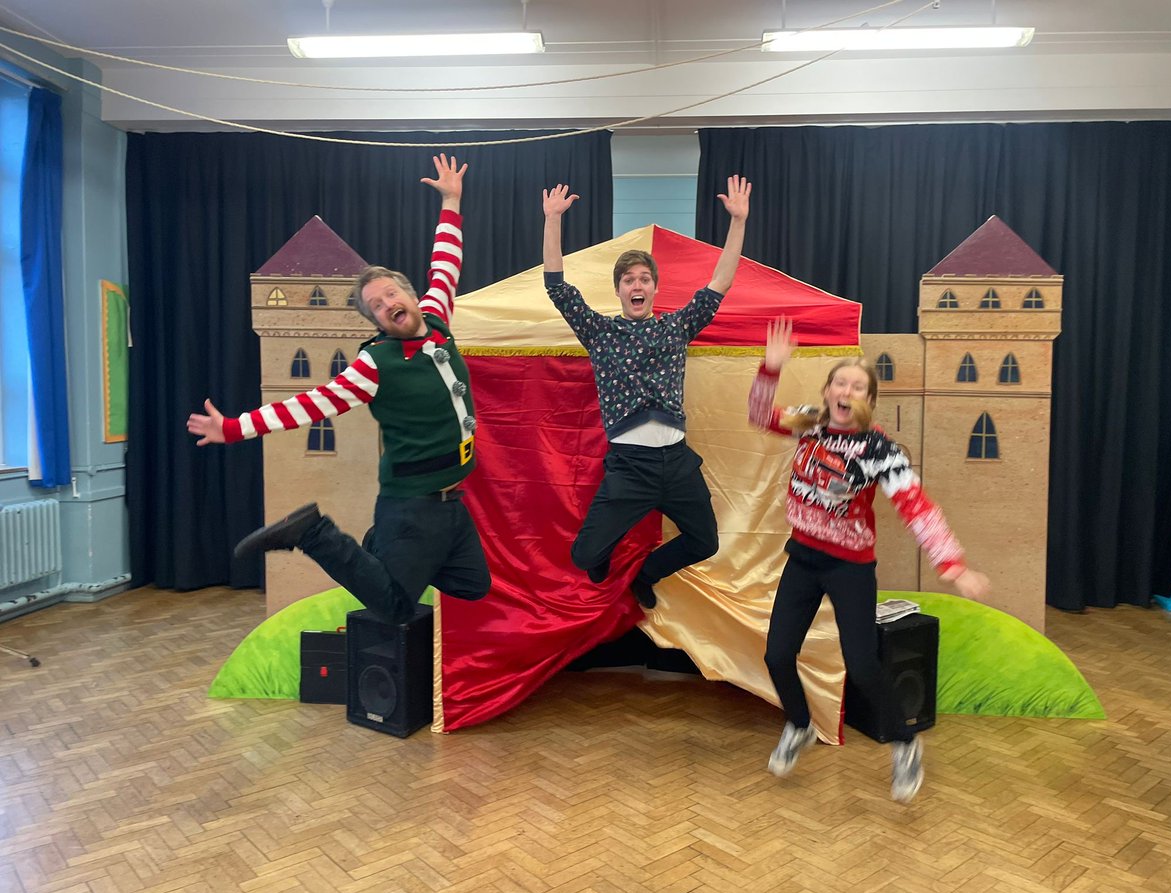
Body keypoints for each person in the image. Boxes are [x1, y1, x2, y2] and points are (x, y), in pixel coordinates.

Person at [186, 153, 489, 622]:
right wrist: (232, 428)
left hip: (454, 502)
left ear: (409, 295)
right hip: (412, 505)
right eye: (376, 305)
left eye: (391, 293)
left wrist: (451, 201)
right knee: (394, 607)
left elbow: (446, 262)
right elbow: (309, 405)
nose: (387, 303)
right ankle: (314, 533)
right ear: (375, 322)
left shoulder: (437, 318)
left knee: (474, 584)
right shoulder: (375, 363)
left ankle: (375, 550)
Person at [748, 316, 989, 802]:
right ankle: (798, 726)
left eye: (858, 387)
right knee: (776, 653)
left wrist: (952, 564)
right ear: (828, 390)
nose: (847, 391)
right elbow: (759, 415)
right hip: (804, 557)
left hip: (849, 566)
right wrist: (769, 370)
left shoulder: (879, 449)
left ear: (869, 401)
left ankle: (905, 742)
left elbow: (915, 505)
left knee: (862, 663)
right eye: (840, 382)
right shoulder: (810, 422)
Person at [541, 176, 751, 609]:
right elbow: (557, 289)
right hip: (629, 468)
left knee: (704, 541)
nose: (637, 286)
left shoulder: (675, 326)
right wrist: (552, 220)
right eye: (628, 280)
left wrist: (738, 222)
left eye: (644, 279)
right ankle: (603, 558)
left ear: (654, 287)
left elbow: (720, 284)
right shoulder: (600, 331)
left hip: (676, 463)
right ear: (619, 290)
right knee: (584, 556)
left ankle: (646, 573)